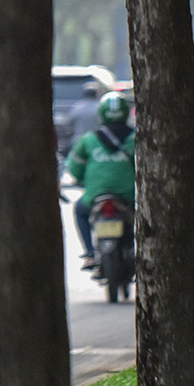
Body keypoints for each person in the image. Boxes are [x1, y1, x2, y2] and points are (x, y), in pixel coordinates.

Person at [64, 91, 135, 267]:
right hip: (127, 195)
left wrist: (81, 180)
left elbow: (74, 167)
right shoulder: (136, 139)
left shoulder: (88, 139)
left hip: (95, 195)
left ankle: (89, 252)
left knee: (80, 211)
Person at [65, 80, 102, 152]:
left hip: (79, 141)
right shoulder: (100, 108)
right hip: (96, 141)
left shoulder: (77, 107)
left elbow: (69, 124)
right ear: (95, 94)